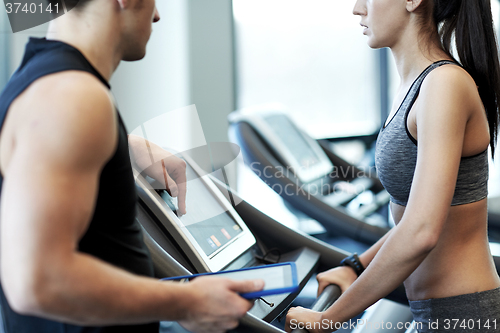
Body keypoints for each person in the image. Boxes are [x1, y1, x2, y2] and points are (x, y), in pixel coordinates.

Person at [0, 0, 264, 331]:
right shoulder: (73, 97)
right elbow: (38, 282)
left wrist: (122, 144)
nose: (156, 15)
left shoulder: (49, 81)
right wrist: (189, 302)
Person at [285, 0, 500, 332]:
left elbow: (421, 232)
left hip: (463, 315)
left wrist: (329, 318)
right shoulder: (415, 86)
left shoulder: (443, 85)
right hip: (432, 312)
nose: (358, 9)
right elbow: (411, 220)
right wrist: (355, 265)